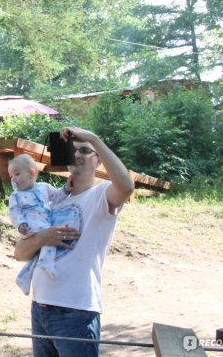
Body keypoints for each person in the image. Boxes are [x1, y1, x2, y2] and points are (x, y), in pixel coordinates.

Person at [13, 127, 135, 357]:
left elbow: (126, 187)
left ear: (98, 161)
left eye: (85, 151)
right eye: (73, 150)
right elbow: (19, 252)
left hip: (77, 313)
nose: (77, 155)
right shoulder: (49, 199)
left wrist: (94, 138)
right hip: (40, 309)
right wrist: (42, 237)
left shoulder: (100, 195)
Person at [7, 154, 71, 295]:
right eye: (11, 176)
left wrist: (66, 188)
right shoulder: (15, 196)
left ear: (31, 173)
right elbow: (14, 213)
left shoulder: (44, 188)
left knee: (38, 253)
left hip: (44, 223)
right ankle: (47, 263)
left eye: (17, 174)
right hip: (29, 227)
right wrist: (20, 224)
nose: (13, 179)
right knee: (50, 238)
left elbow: (57, 197)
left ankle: (24, 278)